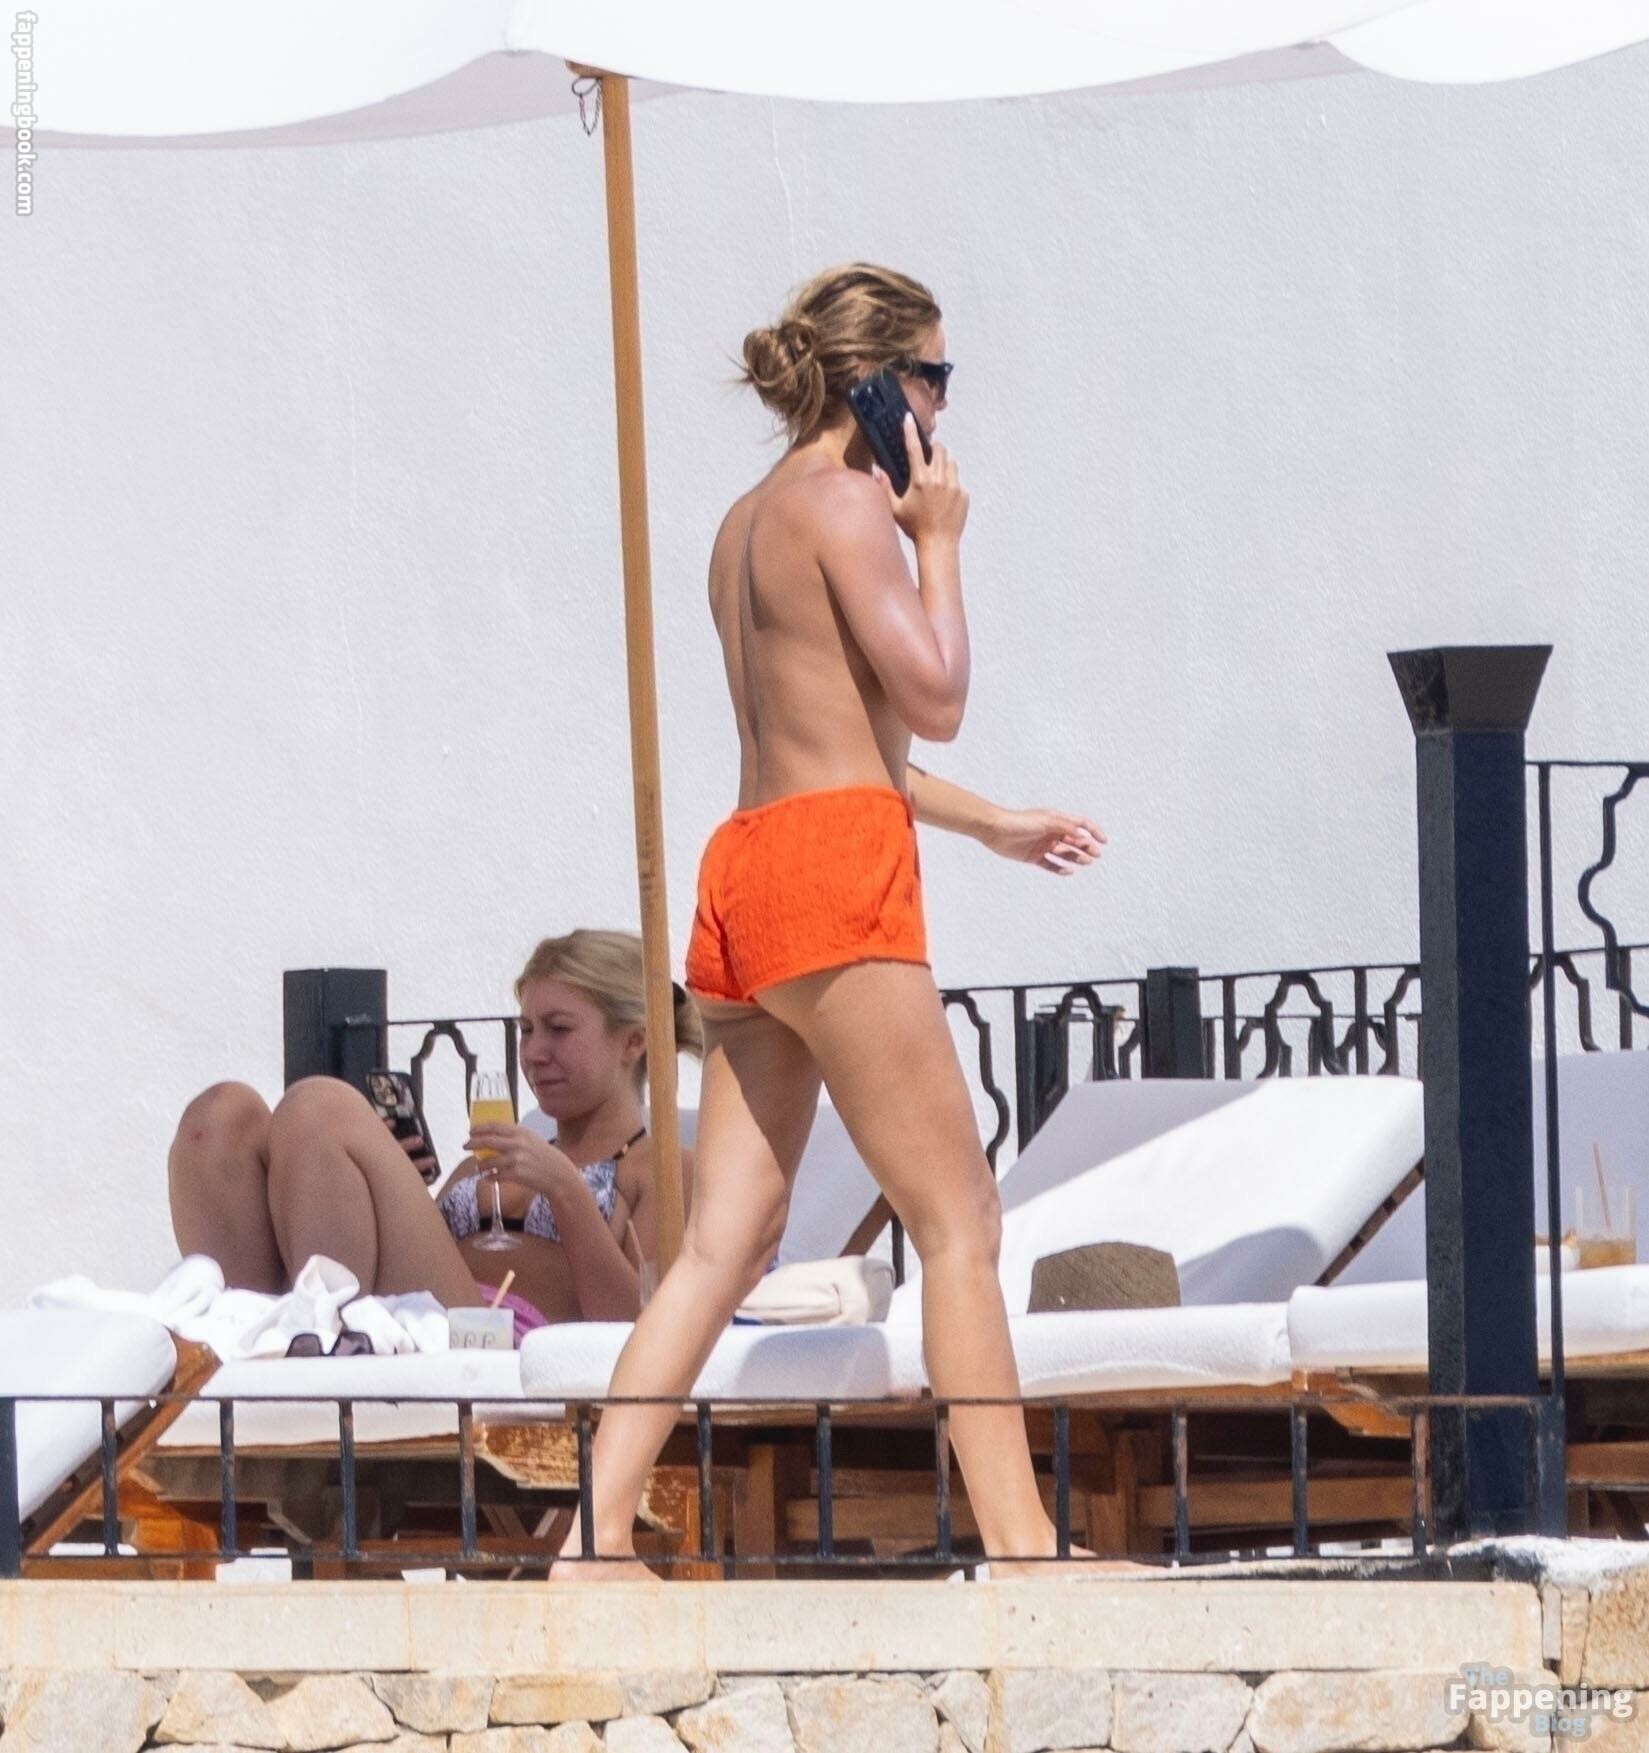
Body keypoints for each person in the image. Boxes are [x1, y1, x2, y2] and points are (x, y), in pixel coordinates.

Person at [555, 264, 1106, 1577]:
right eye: (934, 376)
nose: (942, 405)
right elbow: (935, 696)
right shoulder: (852, 508)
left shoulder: (743, 523)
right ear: (875, 381)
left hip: (744, 874)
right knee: (959, 1220)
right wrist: (941, 542)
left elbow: (832, 739)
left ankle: (592, 1534)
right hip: (833, 883)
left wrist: (992, 825)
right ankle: (1023, 1548)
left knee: (723, 1239)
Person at [167, 929, 701, 1336]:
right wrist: (384, 1179)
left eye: (558, 1030)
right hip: (417, 1318)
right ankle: (256, 1341)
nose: (534, 1052)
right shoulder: (487, 1160)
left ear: (633, 1042)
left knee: (319, 1107)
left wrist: (565, 1190)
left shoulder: (663, 1170)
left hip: (505, 1341)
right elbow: (413, 1261)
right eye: (526, 1030)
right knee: (220, 1117)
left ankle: (316, 1343)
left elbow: (643, 1330)